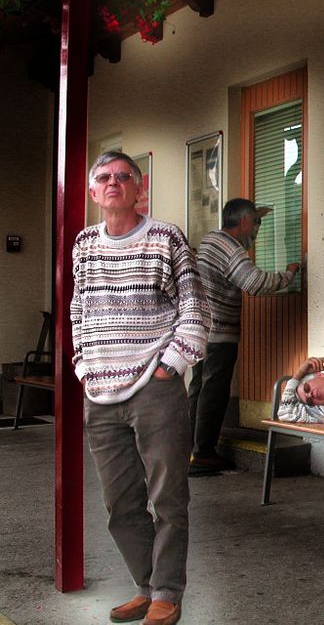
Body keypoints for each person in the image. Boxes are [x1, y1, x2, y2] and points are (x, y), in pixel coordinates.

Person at [71, 151, 210, 625]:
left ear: (139, 188)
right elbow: (78, 311)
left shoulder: (166, 237)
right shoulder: (84, 244)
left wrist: (171, 364)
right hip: (101, 393)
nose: (113, 183)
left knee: (168, 497)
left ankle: (168, 592)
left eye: (123, 177)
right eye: (104, 178)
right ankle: (147, 587)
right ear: (94, 192)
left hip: (155, 386)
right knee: (120, 503)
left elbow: (194, 308)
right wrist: (81, 366)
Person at [188, 198, 301, 474]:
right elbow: (254, 282)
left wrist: (257, 214)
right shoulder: (231, 249)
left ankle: (190, 449)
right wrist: (288, 274)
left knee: (199, 389)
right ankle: (203, 453)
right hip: (219, 334)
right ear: (243, 222)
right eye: (255, 222)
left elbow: (243, 255)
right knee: (214, 391)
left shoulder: (211, 241)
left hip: (202, 330)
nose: (256, 228)